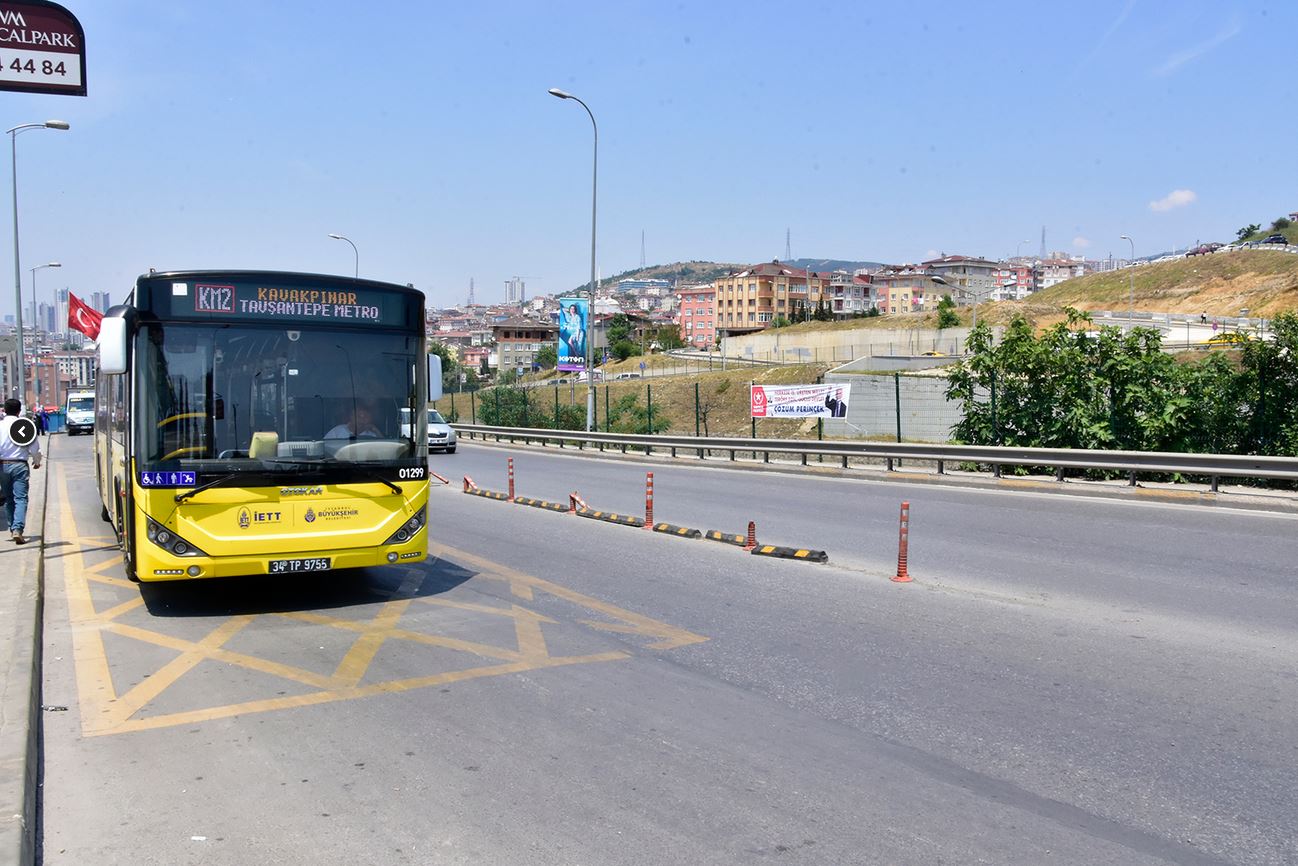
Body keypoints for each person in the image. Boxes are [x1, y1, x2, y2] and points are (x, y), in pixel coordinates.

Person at [0, 398, 42, 544]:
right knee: (21, 498)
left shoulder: (0, 426)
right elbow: (34, 448)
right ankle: (18, 529)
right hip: (20, 466)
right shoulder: (24, 425)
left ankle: (13, 528)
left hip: (3, 466)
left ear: (4, 410)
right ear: (19, 411)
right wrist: (37, 462)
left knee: (8, 499)